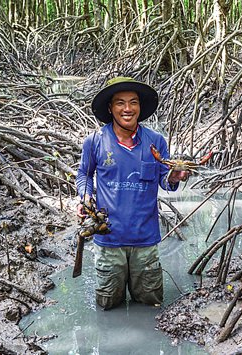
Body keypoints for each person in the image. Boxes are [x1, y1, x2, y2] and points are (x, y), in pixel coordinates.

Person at [75, 77, 188, 309]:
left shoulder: (155, 142)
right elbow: (84, 176)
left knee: (151, 306)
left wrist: (174, 177)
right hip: (108, 240)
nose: (127, 109)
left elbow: (165, 181)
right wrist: (85, 197)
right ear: (110, 108)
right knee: (108, 306)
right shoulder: (94, 141)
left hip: (145, 241)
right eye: (120, 103)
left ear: (140, 107)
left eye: (133, 102)